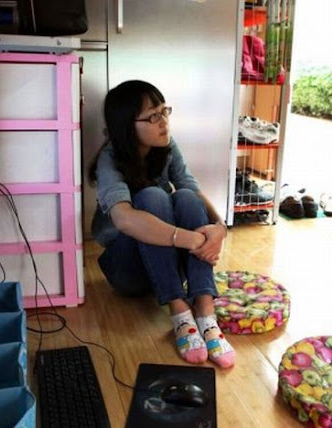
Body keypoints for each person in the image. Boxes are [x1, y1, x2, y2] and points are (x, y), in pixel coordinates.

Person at [89, 80, 235, 368]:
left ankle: (204, 310)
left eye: (164, 111)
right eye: (152, 116)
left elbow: (192, 189)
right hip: (127, 271)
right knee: (152, 196)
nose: (163, 121)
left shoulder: (166, 146)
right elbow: (123, 219)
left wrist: (219, 228)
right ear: (126, 126)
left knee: (186, 197)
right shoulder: (111, 159)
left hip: (168, 265)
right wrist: (192, 240)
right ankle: (179, 311)